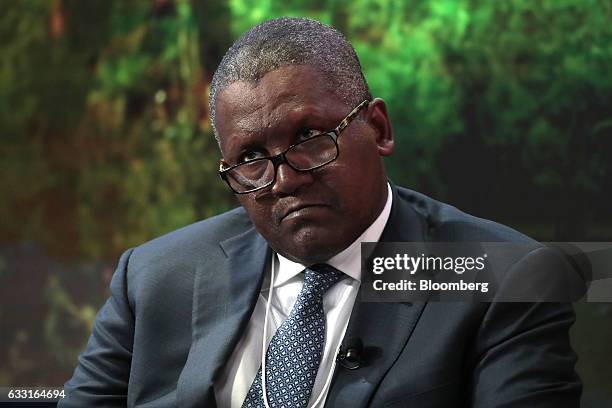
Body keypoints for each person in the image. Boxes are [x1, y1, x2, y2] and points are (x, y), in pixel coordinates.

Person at [60, 17, 581, 407]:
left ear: (378, 129)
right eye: (249, 159)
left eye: (309, 138)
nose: (284, 180)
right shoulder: (153, 277)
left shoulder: (504, 277)